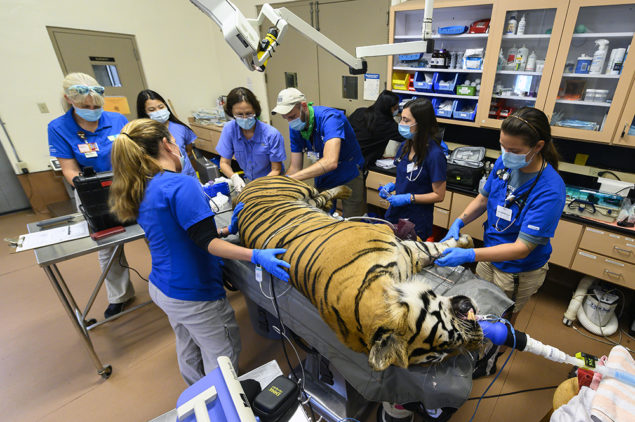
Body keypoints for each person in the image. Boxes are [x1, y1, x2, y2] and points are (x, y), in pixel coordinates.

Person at [108, 118, 290, 385]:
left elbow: (178, 232)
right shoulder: (181, 184)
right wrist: (255, 255)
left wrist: (226, 231)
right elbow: (207, 243)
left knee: (188, 347)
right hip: (194, 294)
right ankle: (223, 405)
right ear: (166, 144)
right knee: (222, 359)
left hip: (163, 287)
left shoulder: (142, 184)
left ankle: (198, 399)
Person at [437, 107, 566, 322]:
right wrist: (459, 221)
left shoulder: (550, 190)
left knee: (502, 319)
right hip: (489, 255)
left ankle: (499, 351)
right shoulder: (504, 162)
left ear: (538, 146)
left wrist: (470, 255)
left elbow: (522, 248)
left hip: (517, 271)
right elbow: (483, 198)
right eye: (502, 146)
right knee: (478, 305)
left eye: (514, 150)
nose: (506, 154)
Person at [47, 72, 134, 319]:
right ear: (69, 100)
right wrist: (88, 188)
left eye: (96, 105)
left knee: (153, 233)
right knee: (108, 246)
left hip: (127, 186)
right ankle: (119, 296)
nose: (92, 109)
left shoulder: (117, 119)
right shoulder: (59, 127)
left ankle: (168, 283)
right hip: (91, 192)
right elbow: (69, 168)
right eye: (86, 106)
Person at [272, 88, 366, 217]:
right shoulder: (295, 127)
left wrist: (291, 179)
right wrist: (282, 185)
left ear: (303, 106)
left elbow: (330, 162)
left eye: (292, 116)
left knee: (352, 221)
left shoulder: (330, 118)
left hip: (348, 173)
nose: (290, 121)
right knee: (321, 216)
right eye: (285, 118)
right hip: (323, 176)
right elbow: (295, 167)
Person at [378, 98, 447, 241]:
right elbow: (407, 178)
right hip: (396, 214)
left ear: (421, 124)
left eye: (406, 120)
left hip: (416, 220)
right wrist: (392, 186)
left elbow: (439, 195)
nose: (401, 124)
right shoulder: (405, 146)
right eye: (401, 119)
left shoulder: (435, 155)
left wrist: (409, 198)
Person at [216, 87, 286, 191]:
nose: (244, 118)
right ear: (231, 113)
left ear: (256, 111)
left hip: (272, 182)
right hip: (250, 182)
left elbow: (276, 169)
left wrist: (259, 188)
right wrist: (234, 177)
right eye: (239, 114)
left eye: (249, 114)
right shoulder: (229, 129)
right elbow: (224, 163)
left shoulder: (271, 134)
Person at [136, 89, 198, 178]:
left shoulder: (181, 128)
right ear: (144, 112)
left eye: (161, 107)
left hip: (188, 177)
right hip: (164, 180)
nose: (158, 111)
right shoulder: (143, 135)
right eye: (152, 109)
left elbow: (188, 151)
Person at [348, 90, 405, 171]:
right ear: (388, 107)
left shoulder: (359, 111)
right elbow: (406, 137)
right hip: (361, 164)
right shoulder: (388, 125)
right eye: (395, 108)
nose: (397, 110)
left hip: (345, 157)